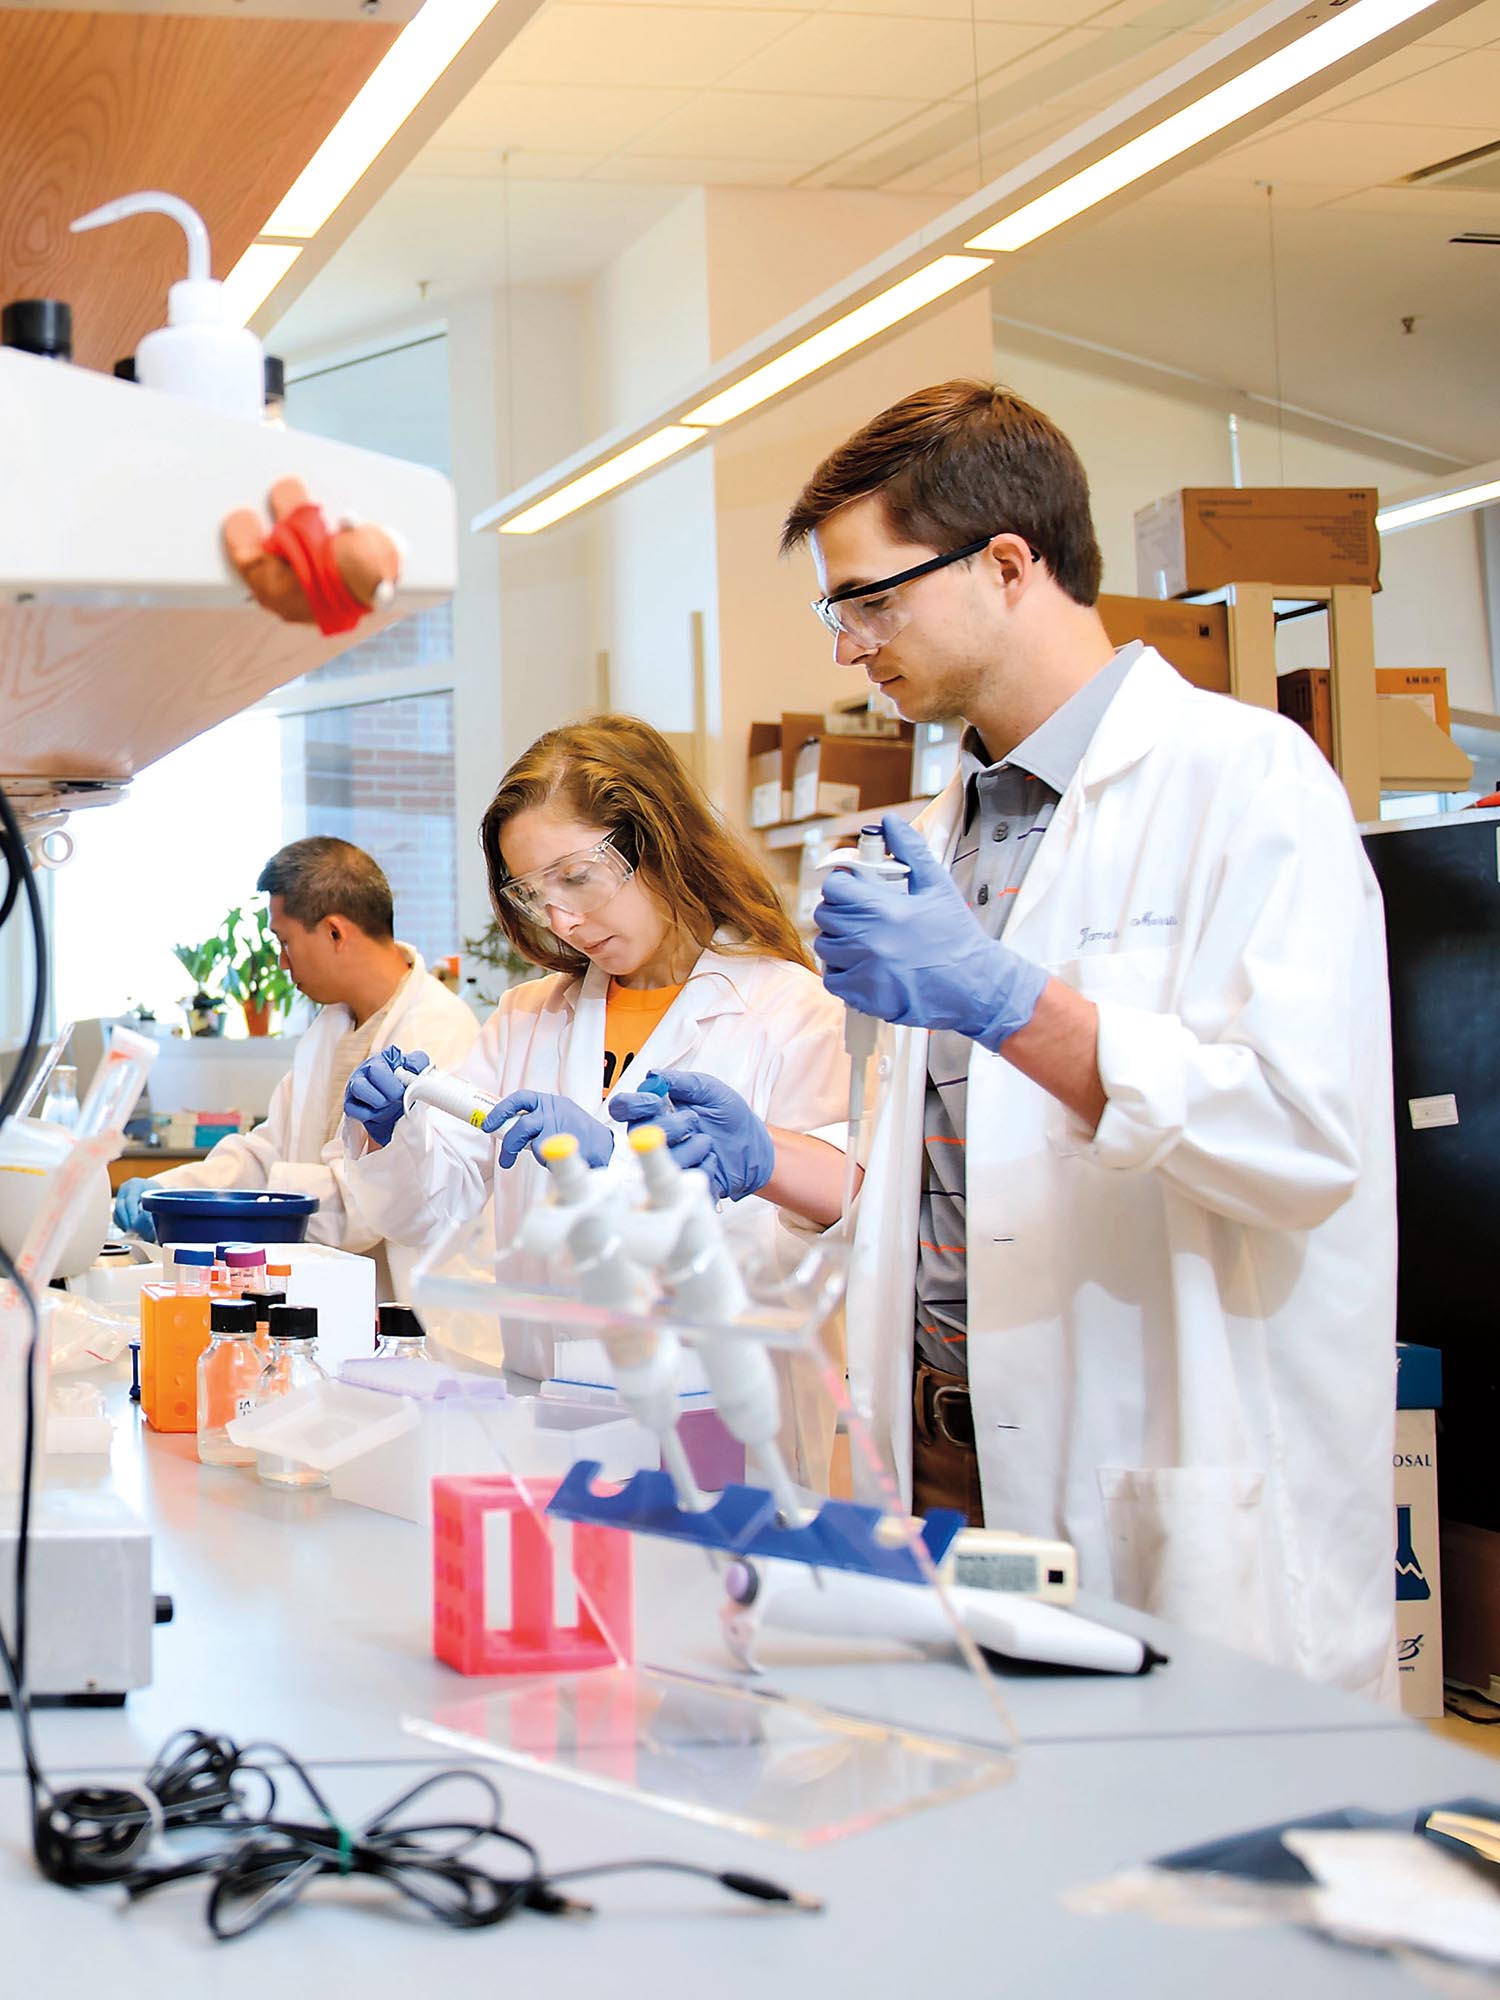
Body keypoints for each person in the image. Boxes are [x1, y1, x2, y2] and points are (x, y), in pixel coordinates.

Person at [762, 380, 1394, 1696]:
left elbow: (1300, 1137)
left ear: (1006, 564)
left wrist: (1007, 1000)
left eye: (872, 599)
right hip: (942, 1457)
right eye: (841, 607)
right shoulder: (945, 830)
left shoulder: (1247, 781)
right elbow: (953, 1174)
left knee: (1169, 1869)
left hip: (1145, 1451)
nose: (849, 645)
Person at [340, 716, 851, 1481]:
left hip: (721, 1442)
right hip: (551, 1425)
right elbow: (430, 1214)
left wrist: (613, 1168)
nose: (562, 921)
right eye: (533, 894)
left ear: (658, 841)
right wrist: (395, 1133)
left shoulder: (791, 1012)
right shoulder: (527, 1019)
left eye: (576, 878)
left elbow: (798, 1269)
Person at [114, 837, 477, 1294]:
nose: (283, 962)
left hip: (400, 1308)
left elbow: (369, 1204)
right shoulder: (331, 1028)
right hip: (321, 1296)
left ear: (334, 932)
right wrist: (166, 1193)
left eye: (285, 942)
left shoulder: (437, 1030)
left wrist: (227, 1209)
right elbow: (267, 1151)